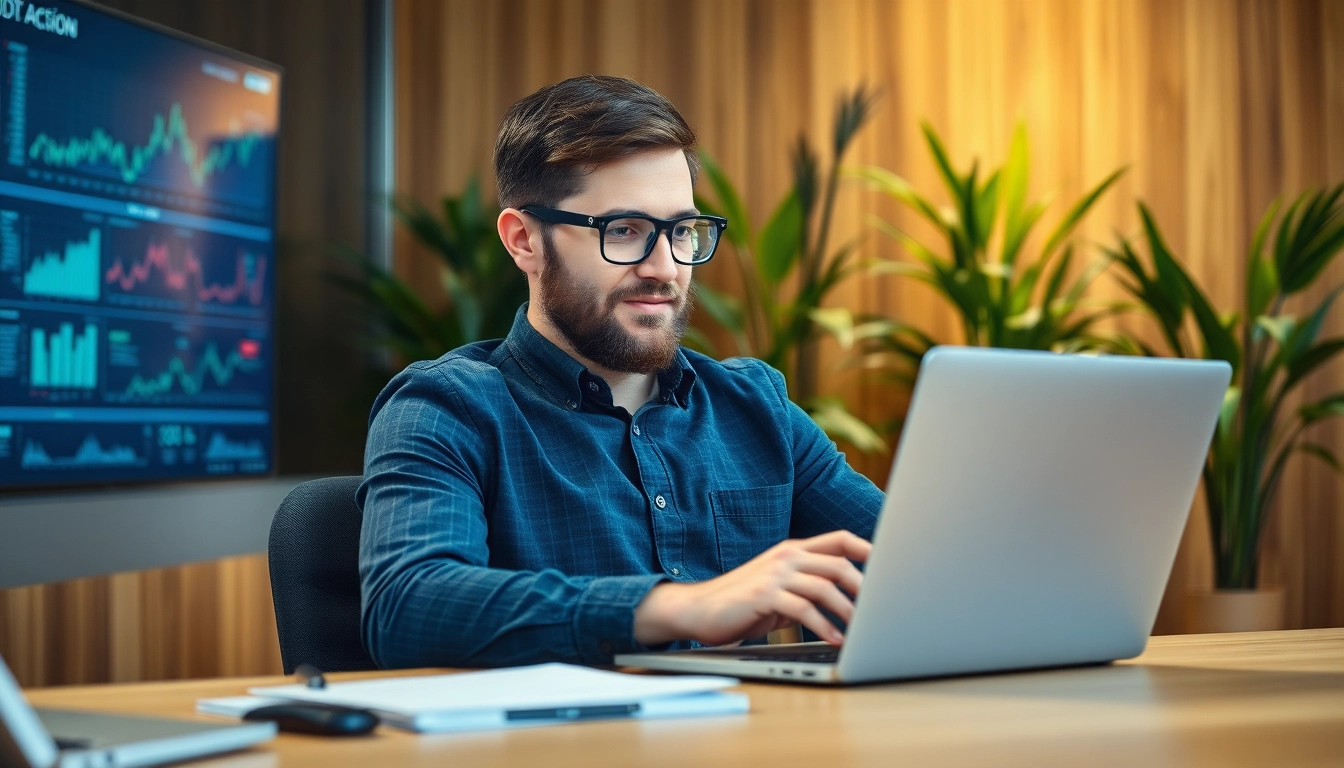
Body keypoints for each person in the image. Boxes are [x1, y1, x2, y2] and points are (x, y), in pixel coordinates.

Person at [358, 75, 884, 669]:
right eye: (625, 231)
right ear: (524, 240)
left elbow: (911, 566)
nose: (665, 268)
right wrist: (679, 607)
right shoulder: (445, 408)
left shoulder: (755, 406)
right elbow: (407, 605)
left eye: (681, 231)